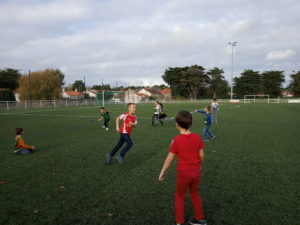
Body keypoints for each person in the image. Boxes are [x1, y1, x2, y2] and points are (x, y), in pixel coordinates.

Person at [159, 111, 206, 225]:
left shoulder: (176, 140)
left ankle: (179, 222)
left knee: (179, 196)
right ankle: (200, 219)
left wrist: (163, 171)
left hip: (184, 173)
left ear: (177, 124)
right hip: (196, 172)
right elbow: (202, 155)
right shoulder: (197, 137)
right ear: (190, 123)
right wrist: (199, 166)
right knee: (195, 194)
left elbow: (169, 158)